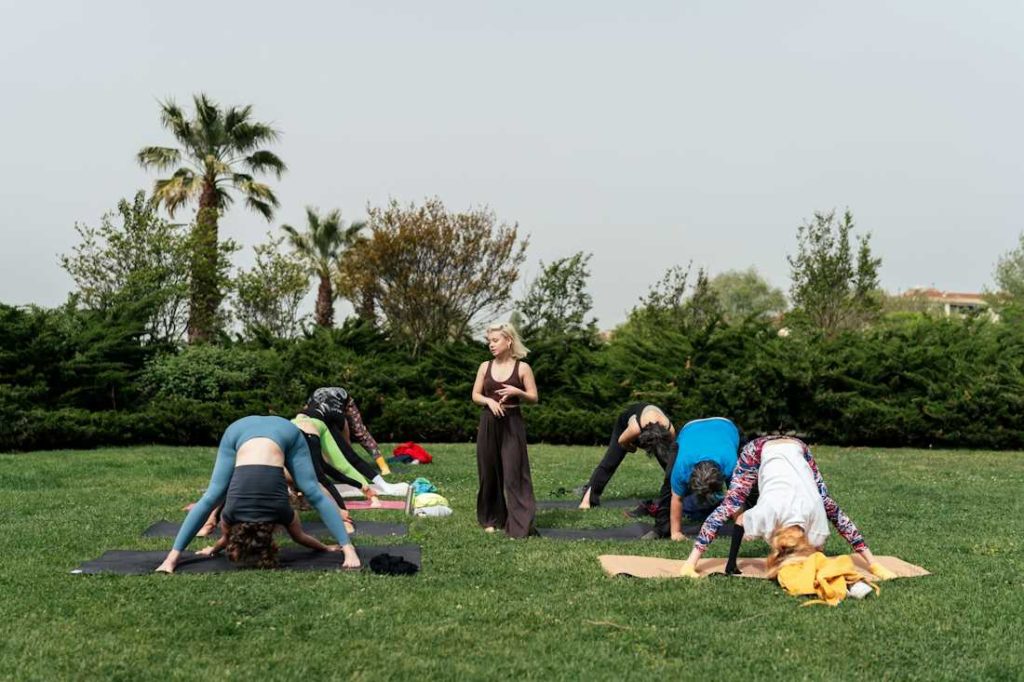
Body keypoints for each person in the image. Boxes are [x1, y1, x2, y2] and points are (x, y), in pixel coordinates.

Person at [675, 435, 897, 581]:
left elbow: (836, 527)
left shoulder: (815, 508)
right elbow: (733, 518)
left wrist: (873, 564)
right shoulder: (769, 509)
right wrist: (727, 564)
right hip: (759, 450)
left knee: (827, 502)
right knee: (731, 503)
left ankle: (874, 563)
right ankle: (689, 564)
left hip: (798, 448)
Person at [155, 415, 360, 573]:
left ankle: (171, 558)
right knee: (312, 490)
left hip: (244, 429)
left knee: (212, 496)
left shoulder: (279, 512)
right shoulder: (233, 515)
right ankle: (348, 549)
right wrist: (331, 549)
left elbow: (226, 537)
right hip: (270, 430)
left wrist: (201, 552)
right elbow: (227, 538)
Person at [472, 322, 538, 537]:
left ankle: (519, 524)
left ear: (508, 340)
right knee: (488, 472)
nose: (491, 345)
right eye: (489, 341)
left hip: (512, 423)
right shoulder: (485, 366)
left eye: (495, 340)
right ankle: (491, 518)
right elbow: (475, 395)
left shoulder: (523, 368)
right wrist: (489, 402)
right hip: (489, 422)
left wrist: (517, 391)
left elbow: (534, 398)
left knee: (514, 473)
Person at [578, 404, 676, 509]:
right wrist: (631, 448)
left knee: (670, 464)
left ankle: (683, 497)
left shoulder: (670, 429)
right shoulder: (635, 428)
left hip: (653, 430)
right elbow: (622, 442)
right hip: (625, 428)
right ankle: (587, 500)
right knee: (610, 462)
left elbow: (673, 454)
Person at [660, 417, 741, 540]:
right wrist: (676, 533)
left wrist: (741, 529)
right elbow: (677, 499)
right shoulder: (681, 468)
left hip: (725, 426)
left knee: (747, 485)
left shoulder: (730, 464)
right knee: (669, 483)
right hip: (690, 428)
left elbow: (736, 496)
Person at [302, 386, 395, 477]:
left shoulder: (339, 419)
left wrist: (350, 460)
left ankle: (384, 466)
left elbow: (347, 444)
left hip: (343, 399)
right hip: (317, 398)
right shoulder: (307, 418)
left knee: (360, 432)